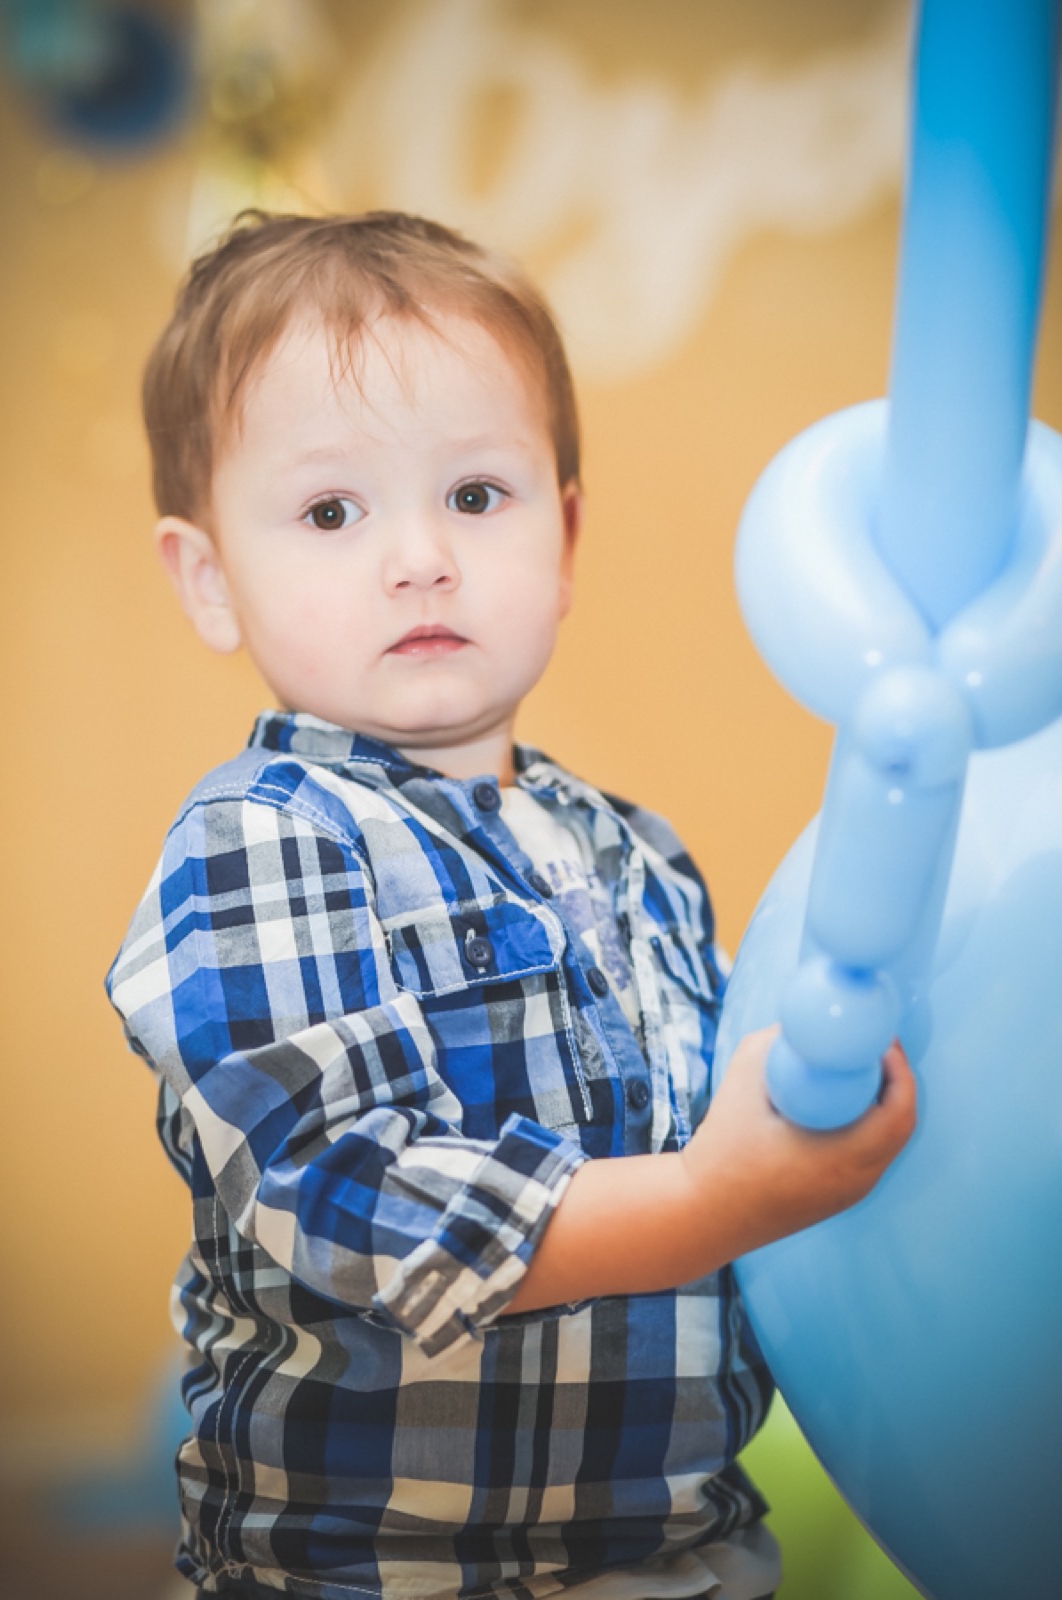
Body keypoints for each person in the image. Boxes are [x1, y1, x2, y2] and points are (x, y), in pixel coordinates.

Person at [107, 210, 916, 1600]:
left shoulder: (637, 854)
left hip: (683, 1554)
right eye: (329, 511)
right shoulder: (259, 841)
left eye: (475, 496)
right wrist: (713, 1200)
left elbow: (734, 1110)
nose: (419, 557)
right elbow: (352, 1204)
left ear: (566, 531)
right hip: (372, 1570)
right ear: (207, 578)